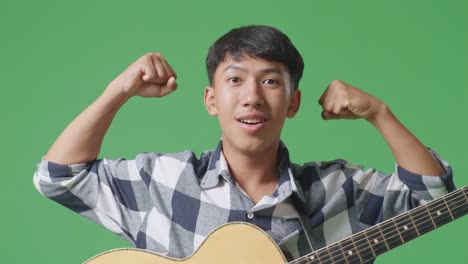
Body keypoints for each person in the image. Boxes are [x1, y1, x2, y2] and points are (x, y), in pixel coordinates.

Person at [33, 25, 454, 262]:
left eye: (270, 81)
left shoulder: (338, 189)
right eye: (235, 80)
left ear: (293, 103)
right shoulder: (164, 180)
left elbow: (434, 196)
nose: (252, 96)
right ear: (211, 99)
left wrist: (378, 112)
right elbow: (59, 177)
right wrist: (118, 90)